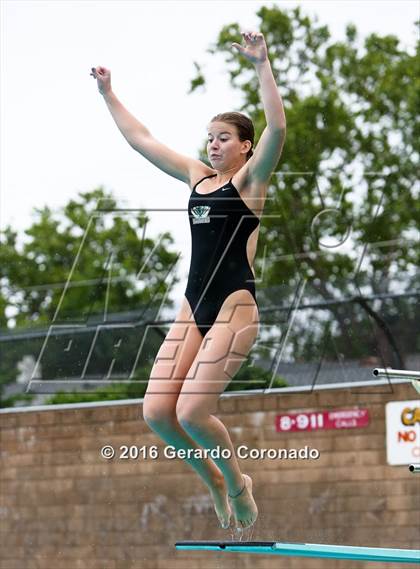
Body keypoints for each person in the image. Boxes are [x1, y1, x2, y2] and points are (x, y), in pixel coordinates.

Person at [91, 30, 286, 531]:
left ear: (245, 147)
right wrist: (109, 94)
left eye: (225, 138)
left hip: (234, 308)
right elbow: (143, 141)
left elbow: (278, 128)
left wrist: (262, 63)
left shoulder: (251, 182)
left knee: (195, 411)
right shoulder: (196, 178)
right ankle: (215, 482)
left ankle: (239, 484)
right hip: (193, 305)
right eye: (210, 137)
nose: (214, 144)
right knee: (158, 413)